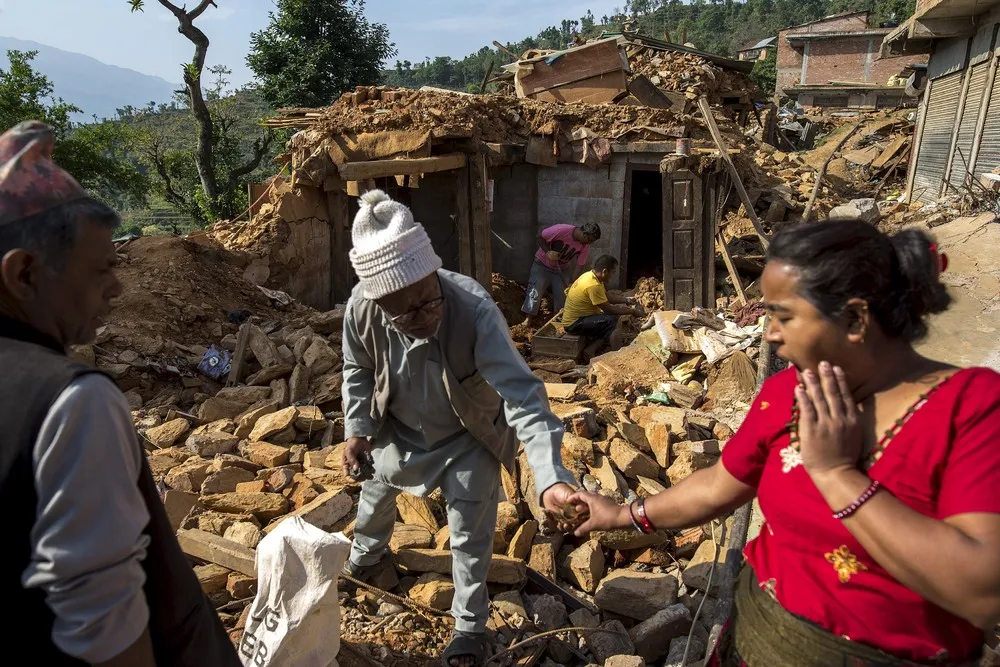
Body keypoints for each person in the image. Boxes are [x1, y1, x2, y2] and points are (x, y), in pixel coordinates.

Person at [568, 219, 1000, 666]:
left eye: (784, 316)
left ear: (855, 319)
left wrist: (837, 476)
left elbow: (981, 595)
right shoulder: (789, 391)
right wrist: (621, 514)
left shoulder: (972, 406)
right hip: (754, 639)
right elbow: (718, 485)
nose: (770, 333)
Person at [0, 121, 240, 666]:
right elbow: (106, 633)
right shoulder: (71, 404)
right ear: (25, 274)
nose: (117, 287)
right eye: (102, 268)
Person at [339, 190, 578, 667]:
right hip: (398, 430)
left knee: (470, 534)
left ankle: (469, 627)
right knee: (373, 498)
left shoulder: (474, 309)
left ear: (434, 272)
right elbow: (357, 369)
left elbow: (523, 396)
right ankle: (365, 558)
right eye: (407, 312)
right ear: (379, 302)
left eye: (430, 300)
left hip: (470, 436)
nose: (425, 316)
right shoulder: (361, 311)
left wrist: (550, 476)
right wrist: (358, 429)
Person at [520, 222, 601, 326]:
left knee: (562, 296)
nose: (590, 243)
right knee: (535, 290)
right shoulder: (561, 230)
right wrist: (548, 252)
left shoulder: (584, 245)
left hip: (561, 269)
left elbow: (579, 265)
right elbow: (540, 236)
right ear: (585, 234)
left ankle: (558, 321)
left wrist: (572, 283)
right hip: (542, 265)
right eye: (590, 240)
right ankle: (528, 318)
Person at [561, 254, 644, 355]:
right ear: (605, 271)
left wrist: (627, 300)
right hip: (574, 324)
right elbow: (608, 309)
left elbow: (606, 296)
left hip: (580, 318)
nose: (613, 276)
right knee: (612, 321)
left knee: (608, 320)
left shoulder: (590, 275)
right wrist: (632, 311)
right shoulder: (593, 285)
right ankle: (616, 355)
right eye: (613, 272)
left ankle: (591, 349)